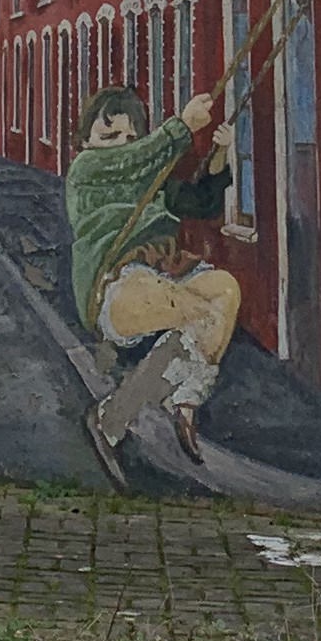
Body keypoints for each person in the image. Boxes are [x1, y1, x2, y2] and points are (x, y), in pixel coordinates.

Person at [63, 83, 241, 463]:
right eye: (109, 136)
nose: (122, 145)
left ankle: (142, 410)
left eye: (131, 137)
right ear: (85, 141)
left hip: (166, 274)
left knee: (224, 290)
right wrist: (181, 127)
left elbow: (203, 202)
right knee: (195, 311)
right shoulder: (86, 170)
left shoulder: (152, 181)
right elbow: (127, 161)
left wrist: (220, 154)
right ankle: (171, 388)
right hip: (114, 282)